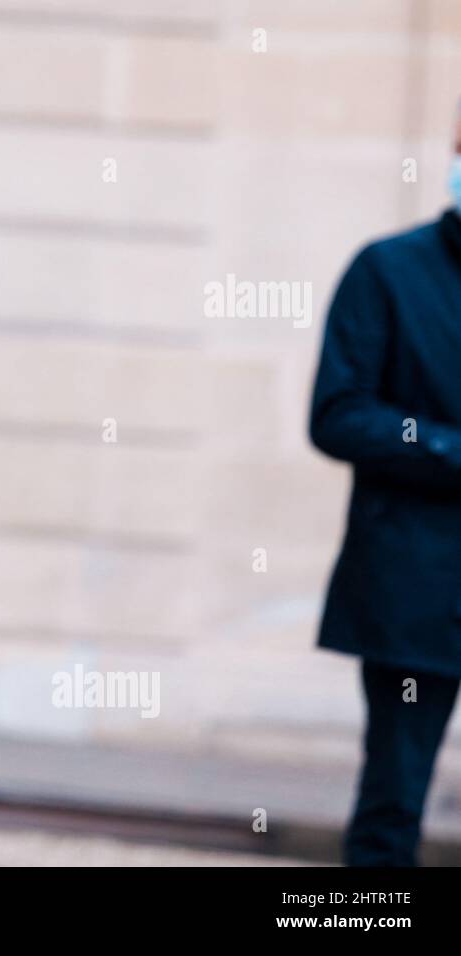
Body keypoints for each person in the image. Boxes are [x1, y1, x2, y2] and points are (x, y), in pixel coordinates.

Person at [309, 113, 461, 867]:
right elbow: (338, 415)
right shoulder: (388, 270)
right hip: (416, 587)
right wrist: (446, 447)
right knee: (391, 809)